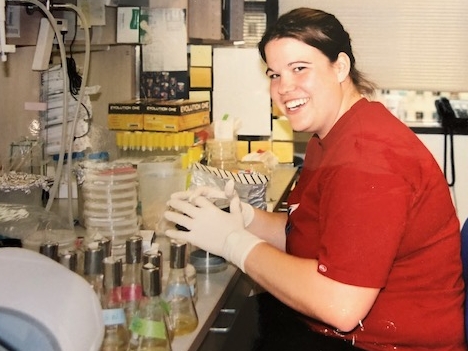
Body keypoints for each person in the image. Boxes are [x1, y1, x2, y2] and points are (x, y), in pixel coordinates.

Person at [164, 7, 466, 351]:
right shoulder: (333, 134)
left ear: (340, 67)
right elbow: (310, 231)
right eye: (274, 74)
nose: (283, 87)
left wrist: (232, 242)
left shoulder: (368, 158)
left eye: (299, 69)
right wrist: (243, 219)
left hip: (386, 342)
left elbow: (341, 306)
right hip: (353, 327)